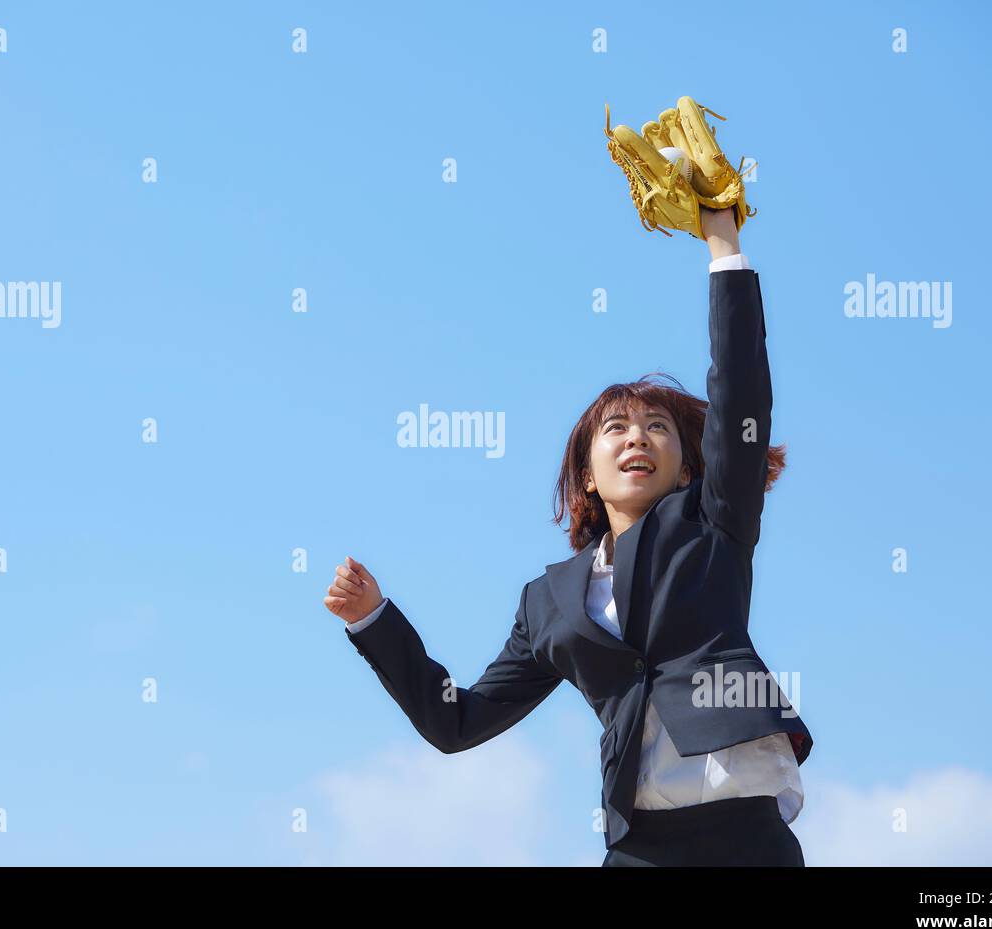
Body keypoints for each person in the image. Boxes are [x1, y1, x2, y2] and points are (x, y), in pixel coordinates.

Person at [324, 205, 811, 866]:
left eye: (657, 427)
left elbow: (741, 398)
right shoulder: (548, 601)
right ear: (586, 475)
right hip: (640, 845)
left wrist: (722, 244)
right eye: (616, 427)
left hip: (745, 833)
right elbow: (456, 722)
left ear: (689, 470)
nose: (637, 435)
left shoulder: (711, 523)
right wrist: (374, 620)